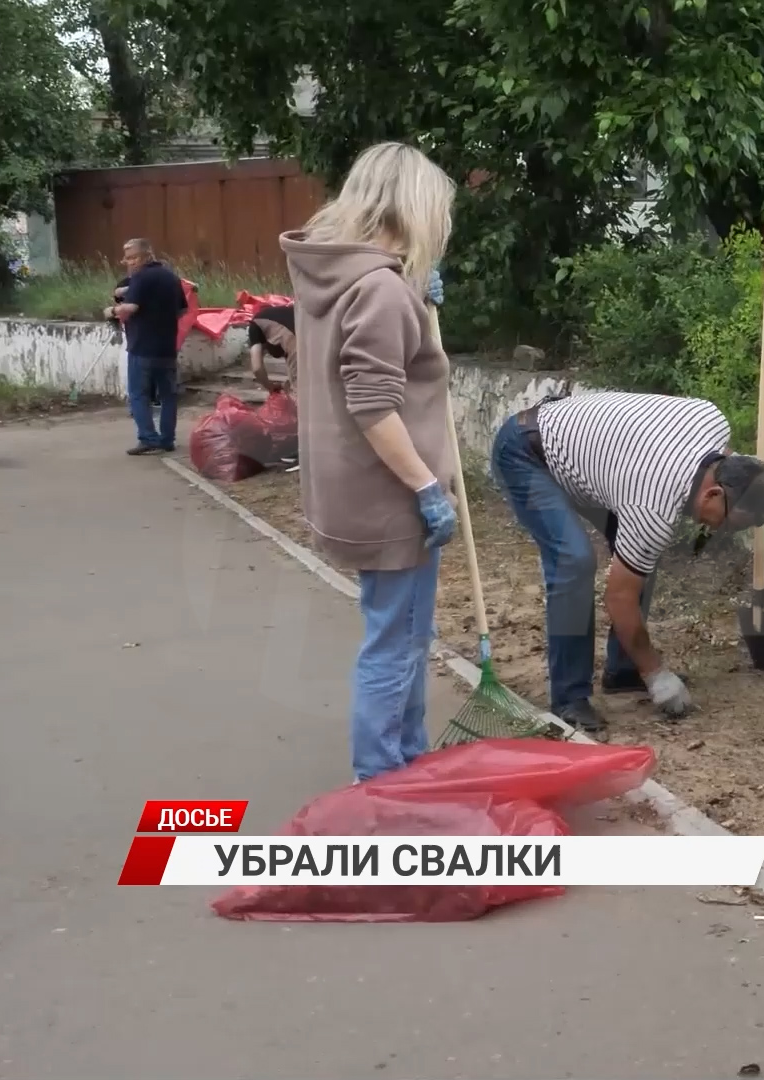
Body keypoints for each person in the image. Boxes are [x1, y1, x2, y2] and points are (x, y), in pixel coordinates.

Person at [282, 141, 460, 783]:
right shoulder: (379, 289)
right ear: (414, 209)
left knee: (404, 632)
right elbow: (373, 406)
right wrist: (425, 487)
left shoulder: (340, 276)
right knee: (395, 643)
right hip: (391, 498)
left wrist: (410, 288)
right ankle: (380, 781)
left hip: (352, 490)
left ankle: (406, 761)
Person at [490, 391, 764, 733]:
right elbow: (619, 597)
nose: (720, 530)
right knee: (574, 561)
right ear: (713, 494)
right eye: (727, 522)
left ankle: (623, 668)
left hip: (598, 466)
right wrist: (657, 674)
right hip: (527, 452)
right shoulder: (654, 507)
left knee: (640, 555)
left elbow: (735, 462)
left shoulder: (713, 422)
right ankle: (569, 697)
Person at [102, 239, 187, 455]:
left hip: (142, 346)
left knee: (139, 394)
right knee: (168, 395)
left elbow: (130, 308)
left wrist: (111, 311)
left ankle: (148, 438)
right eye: (127, 258)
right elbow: (182, 310)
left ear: (147, 255)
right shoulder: (171, 277)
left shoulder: (141, 277)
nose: (129, 263)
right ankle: (167, 439)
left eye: (133, 257)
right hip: (167, 346)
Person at [247, 304, 300, 470]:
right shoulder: (281, 318)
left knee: (304, 402)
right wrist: (289, 382)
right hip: (320, 339)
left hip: (300, 347)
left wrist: (269, 387)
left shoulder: (255, 326)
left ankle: (306, 453)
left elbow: (256, 367)